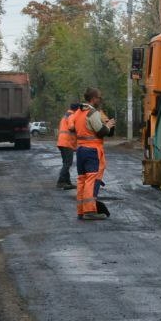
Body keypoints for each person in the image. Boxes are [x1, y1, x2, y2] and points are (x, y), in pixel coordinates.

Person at [72, 87, 115, 221]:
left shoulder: (79, 112)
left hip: (80, 150)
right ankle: (90, 210)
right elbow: (101, 131)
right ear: (93, 98)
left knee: (82, 180)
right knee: (91, 179)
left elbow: (72, 127)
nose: (100, 100)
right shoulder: (92, 113)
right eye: (99, 97)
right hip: (91, 150)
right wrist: (109, 125)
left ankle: (81, 210)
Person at [55, 103, 79, 190]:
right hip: (67, 142)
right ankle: (60, 182)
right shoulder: (72, 115)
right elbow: (71, 127)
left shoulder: (66, 115)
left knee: (66, 163)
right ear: (76, 109)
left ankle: (67, 182)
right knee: (68, 163)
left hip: (62, 142)